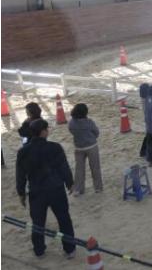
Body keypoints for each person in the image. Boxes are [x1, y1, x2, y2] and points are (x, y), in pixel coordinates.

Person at [16, 119, 75, 259]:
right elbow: (63, 167)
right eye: (46, 129)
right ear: (43, 132)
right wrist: (69, 183)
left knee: (38, 223)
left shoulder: (23, 151)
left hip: (37, 191)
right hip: (56, 189)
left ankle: (39, 250)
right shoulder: (55, 147)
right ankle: (69, 249)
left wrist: (21, 193)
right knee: (64, 219)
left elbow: (20, 175)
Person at [68, 104, 102, 195]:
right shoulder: (89, 122)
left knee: (79, 169)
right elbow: (96, 132)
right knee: (95, 167)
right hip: (91, 146)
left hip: (79, 147)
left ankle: (78, 189)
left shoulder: (72, 123)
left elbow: (71, 131)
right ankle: (98, 187)